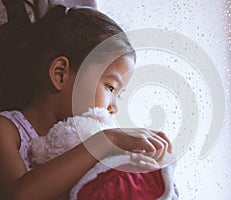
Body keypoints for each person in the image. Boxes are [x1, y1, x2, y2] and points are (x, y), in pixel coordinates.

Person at [0, 4, 172, 200]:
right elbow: (19, 195)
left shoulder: (84, 147)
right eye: (110, 87)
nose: (113, 108)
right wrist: (105, 141)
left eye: (119, 95)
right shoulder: (7, 129)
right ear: (60, 74)